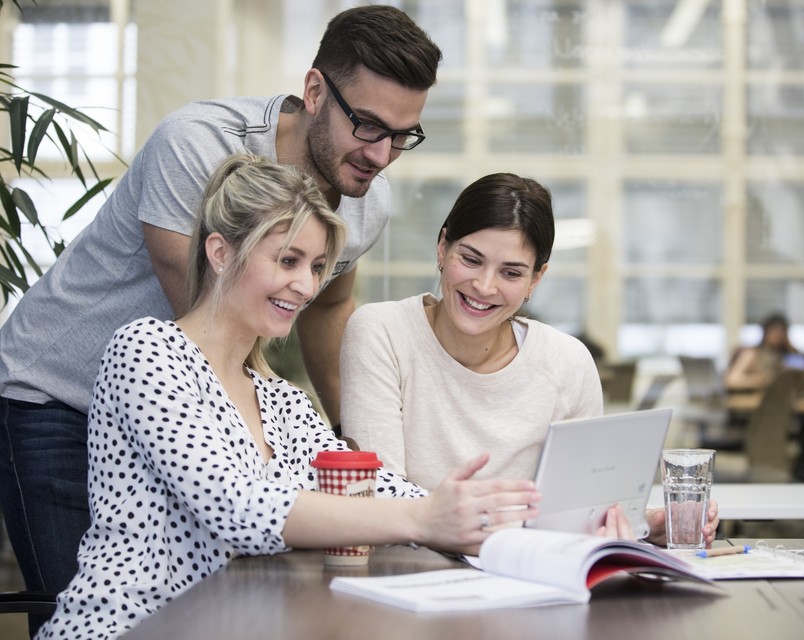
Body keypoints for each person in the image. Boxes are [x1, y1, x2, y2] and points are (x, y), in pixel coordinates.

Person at [0, 5, 441, 617]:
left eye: (403, 135)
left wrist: (352, 457)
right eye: (368, 125)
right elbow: (209, 313)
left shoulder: (366, 198)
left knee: (216, 593)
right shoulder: (197, 144)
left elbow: (328, 309)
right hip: (60, 392)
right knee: (98, 589)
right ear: (315, 91)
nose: (383, 154)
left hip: (209, 403)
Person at [35, 154, 541, 640]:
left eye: (318, 266)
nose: (306, 286)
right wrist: (425, 520)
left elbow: (371, 484)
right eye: (288, 260)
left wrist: (498, 520)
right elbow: (235, 506)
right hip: (130, 628)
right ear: (220, 252)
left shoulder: (281, 399)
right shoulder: (147, 351)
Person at [340, 173, 719, 546]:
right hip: (408, 578)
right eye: (471, 260)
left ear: (536, 280)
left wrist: (639, 524)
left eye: (511, 273)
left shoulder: (566, 362)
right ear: (442, 247)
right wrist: (529, 531)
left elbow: (582, 510)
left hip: (530, 576)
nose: (485, 287)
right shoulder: (381, 332)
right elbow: (382, 502)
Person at [724, 312, 802, 391]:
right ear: (766, 331)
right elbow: (731, 380)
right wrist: (760, 380)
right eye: (774, 330)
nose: (778, 335)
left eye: (782, 331)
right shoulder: (752, 354)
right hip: (751, 400)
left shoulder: (787, 356)